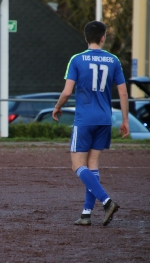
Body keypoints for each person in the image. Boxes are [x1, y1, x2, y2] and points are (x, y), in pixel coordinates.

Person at [52, 21, 129, 226]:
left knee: (77, 166)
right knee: (92, 165)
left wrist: (58, 106)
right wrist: (125, 120)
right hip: (105, 120)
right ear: (103, 37)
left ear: (86, 38)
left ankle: (106, 201)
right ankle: (86, 213)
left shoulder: (76, 60)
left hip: (84, 120)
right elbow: (122, 92)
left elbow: (67, 92)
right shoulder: (113, 60)